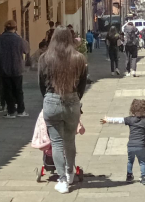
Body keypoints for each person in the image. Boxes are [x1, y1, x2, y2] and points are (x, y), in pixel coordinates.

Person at [39, 26, 88, 194]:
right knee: (69, 140)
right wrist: (76, 98)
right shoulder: (79, 58)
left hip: (51, 100)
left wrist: (47, 99)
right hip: (72, 101)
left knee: (57, 142)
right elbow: (82, 84)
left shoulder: (45, 58)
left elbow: (41, 84)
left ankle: (62, 179)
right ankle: (70, 172)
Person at [101, 99, 145, 186]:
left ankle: (129, 176)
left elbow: (119, 120)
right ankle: (144, 177)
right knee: (142, 162)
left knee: (130, 161)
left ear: (132, 109)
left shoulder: (130, 119)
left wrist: (108, 120)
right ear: (144, 109)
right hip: (141, 146)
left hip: (130, 146)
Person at [0, 20, 29, 118]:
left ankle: (10, 111)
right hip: (17, 68)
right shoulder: (19, 39)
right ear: (15, 28)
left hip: (4, 68)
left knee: (7, 90)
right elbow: (26, 50)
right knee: (18, 90)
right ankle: (21, 110)